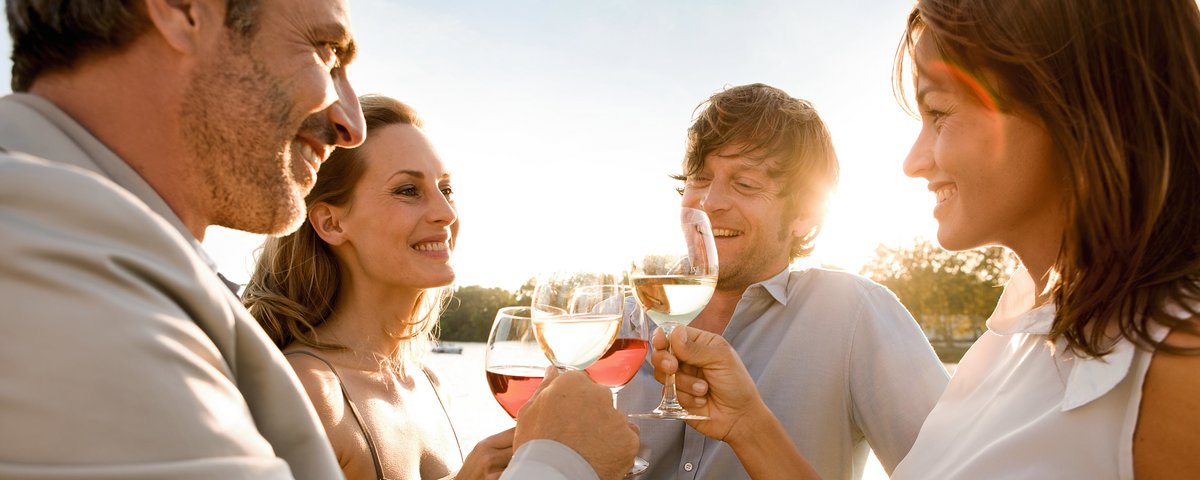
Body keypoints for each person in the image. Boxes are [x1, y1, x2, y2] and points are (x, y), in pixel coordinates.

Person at [0, 1, 633, 478]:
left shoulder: (123, 264)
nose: (348, 123)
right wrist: (558, 464)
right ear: (182, 9)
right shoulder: (45, 265)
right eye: (325, 52)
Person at [651, 1, 1200, 478]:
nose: (913, 161)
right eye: (699, 179)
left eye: (938, 113)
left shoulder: (1177, 368)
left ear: (1072, 109)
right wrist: (749, 426)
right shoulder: (1013, 340)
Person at [618, 83, 949, 480]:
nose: (709, 202)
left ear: (804, 215)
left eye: (745, 184)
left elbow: (954, 469)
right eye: (699, 179)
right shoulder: (612, 324)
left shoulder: (854, 315)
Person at [243, 94, 515, 479]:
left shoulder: (429, 384)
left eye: (446, 189)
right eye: (408, 190)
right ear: (332, 223)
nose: (446, 213)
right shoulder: (309, 391)